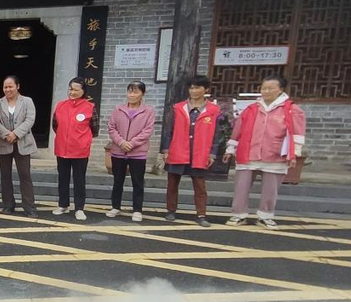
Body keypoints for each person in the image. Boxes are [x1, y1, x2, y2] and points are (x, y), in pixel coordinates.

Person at [224, 75, 305, 229]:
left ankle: (265, 216)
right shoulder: (252, 108)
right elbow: (238, 130)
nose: (266, 91)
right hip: (248, 153)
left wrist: (295, 153)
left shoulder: (291, 109)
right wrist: (231, 148)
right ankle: (238, 214)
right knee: (241, 186)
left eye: (270, 88)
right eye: (263, 88)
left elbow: (297, 132)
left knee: (271, 189)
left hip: (275, 154)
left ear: (281, 89)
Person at [160, 75, 224, 227]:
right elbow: (168, 130)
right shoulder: (178, 108)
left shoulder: (213, 110)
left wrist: (212, 153)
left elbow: (218, 134)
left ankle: (201, 214)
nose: (194, 91)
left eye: (198, 87)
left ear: (206, 89)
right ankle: (170, 210)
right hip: (178, 150)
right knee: (172, 184)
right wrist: (165, 149)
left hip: (199, 153)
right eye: (191, 87)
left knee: (200, 186)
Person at [106, 81, 155, 223]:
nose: (131, 95)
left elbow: (147, 131)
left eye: (135, 92)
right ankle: (115, 206)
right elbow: (111, 128)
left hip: (138, 153)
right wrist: (121, 142)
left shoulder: (148, 111)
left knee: (137, 182)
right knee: (117, 181)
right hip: (118, 151)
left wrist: (131, 144)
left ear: (142, 94)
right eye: (130, 91)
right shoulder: (118, 109)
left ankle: (137, 210)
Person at [51, 78, 97, 221]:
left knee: (79, 180)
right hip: (62, 149)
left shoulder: (90, 107)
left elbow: (94, 129)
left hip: (80, 150)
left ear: (83, 91)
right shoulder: (60, 106)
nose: (72, 92)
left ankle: (79, 208)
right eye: (71, 89)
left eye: (76, 89)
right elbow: (55, 125)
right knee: (63, 178)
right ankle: (63, 204)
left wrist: (81, 140)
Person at [0, 75, 37, 218]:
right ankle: (8, 205)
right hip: (4, 142)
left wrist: (16, 134)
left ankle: (29, 207)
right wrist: (7, 134)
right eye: (5, 87)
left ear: (18, 86)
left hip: (23, 142)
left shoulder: (27, 101)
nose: (8, 89)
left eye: (11, 86)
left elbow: (30, 119)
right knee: (5, 176)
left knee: (25, 175)